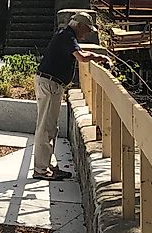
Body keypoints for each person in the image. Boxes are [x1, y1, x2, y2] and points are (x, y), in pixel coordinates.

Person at [33, 12, 109, 181]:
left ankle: (48, 166)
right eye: (87, 29)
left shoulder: (65, 35)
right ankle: (41, 169)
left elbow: (78, 52)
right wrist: (99, 56)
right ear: (79, 25)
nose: (87, 33)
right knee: (45, 128)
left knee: (51, 127)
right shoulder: (67, 37)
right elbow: (82, 57)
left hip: (51, 83)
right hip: (49, 84)